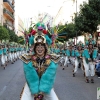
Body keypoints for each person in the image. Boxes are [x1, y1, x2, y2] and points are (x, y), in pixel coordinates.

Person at [20, 22, 60, 100]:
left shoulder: (52, 59)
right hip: (31, 86)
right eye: (38, 46)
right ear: (34, 48)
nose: (40, 48)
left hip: (46, 86)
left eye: (42, 46)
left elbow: (50, 75)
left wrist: (42, 91)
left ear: (45, 47)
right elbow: (30, 75)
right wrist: (35, 92)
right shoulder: (27, 59)